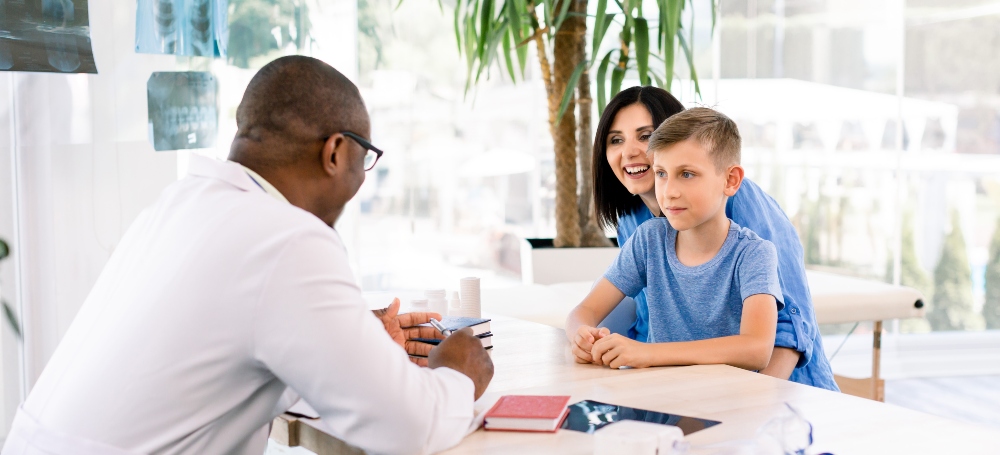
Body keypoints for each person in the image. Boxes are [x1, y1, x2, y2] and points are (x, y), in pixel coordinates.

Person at [2, 56, 494, 455]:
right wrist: (457, 372)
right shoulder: (289, 239)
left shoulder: (178, 206)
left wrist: (345, 337)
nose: (362, 177)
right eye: (364, 159)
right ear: (336, 152)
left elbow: (215, 353)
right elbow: (407, 430)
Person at [573, 86, 837, 390]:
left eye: (645, 136)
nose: (629, 151)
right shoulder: (636, 222)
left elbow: (786, 329)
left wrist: (748, 403)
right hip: (676, 391)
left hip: (772, 393)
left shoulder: (740, 216)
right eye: (616, 139)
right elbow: (644, 319)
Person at [567, 107, 782, 370]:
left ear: (730, 180)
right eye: (661, 174)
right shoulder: (649, 240)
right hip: (657, 402)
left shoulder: (753, 254)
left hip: (724, 405)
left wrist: (648, 353)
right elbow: (583, 311)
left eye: (687, 174)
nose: (668, 192)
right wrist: (581, 335)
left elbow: (756, 349)